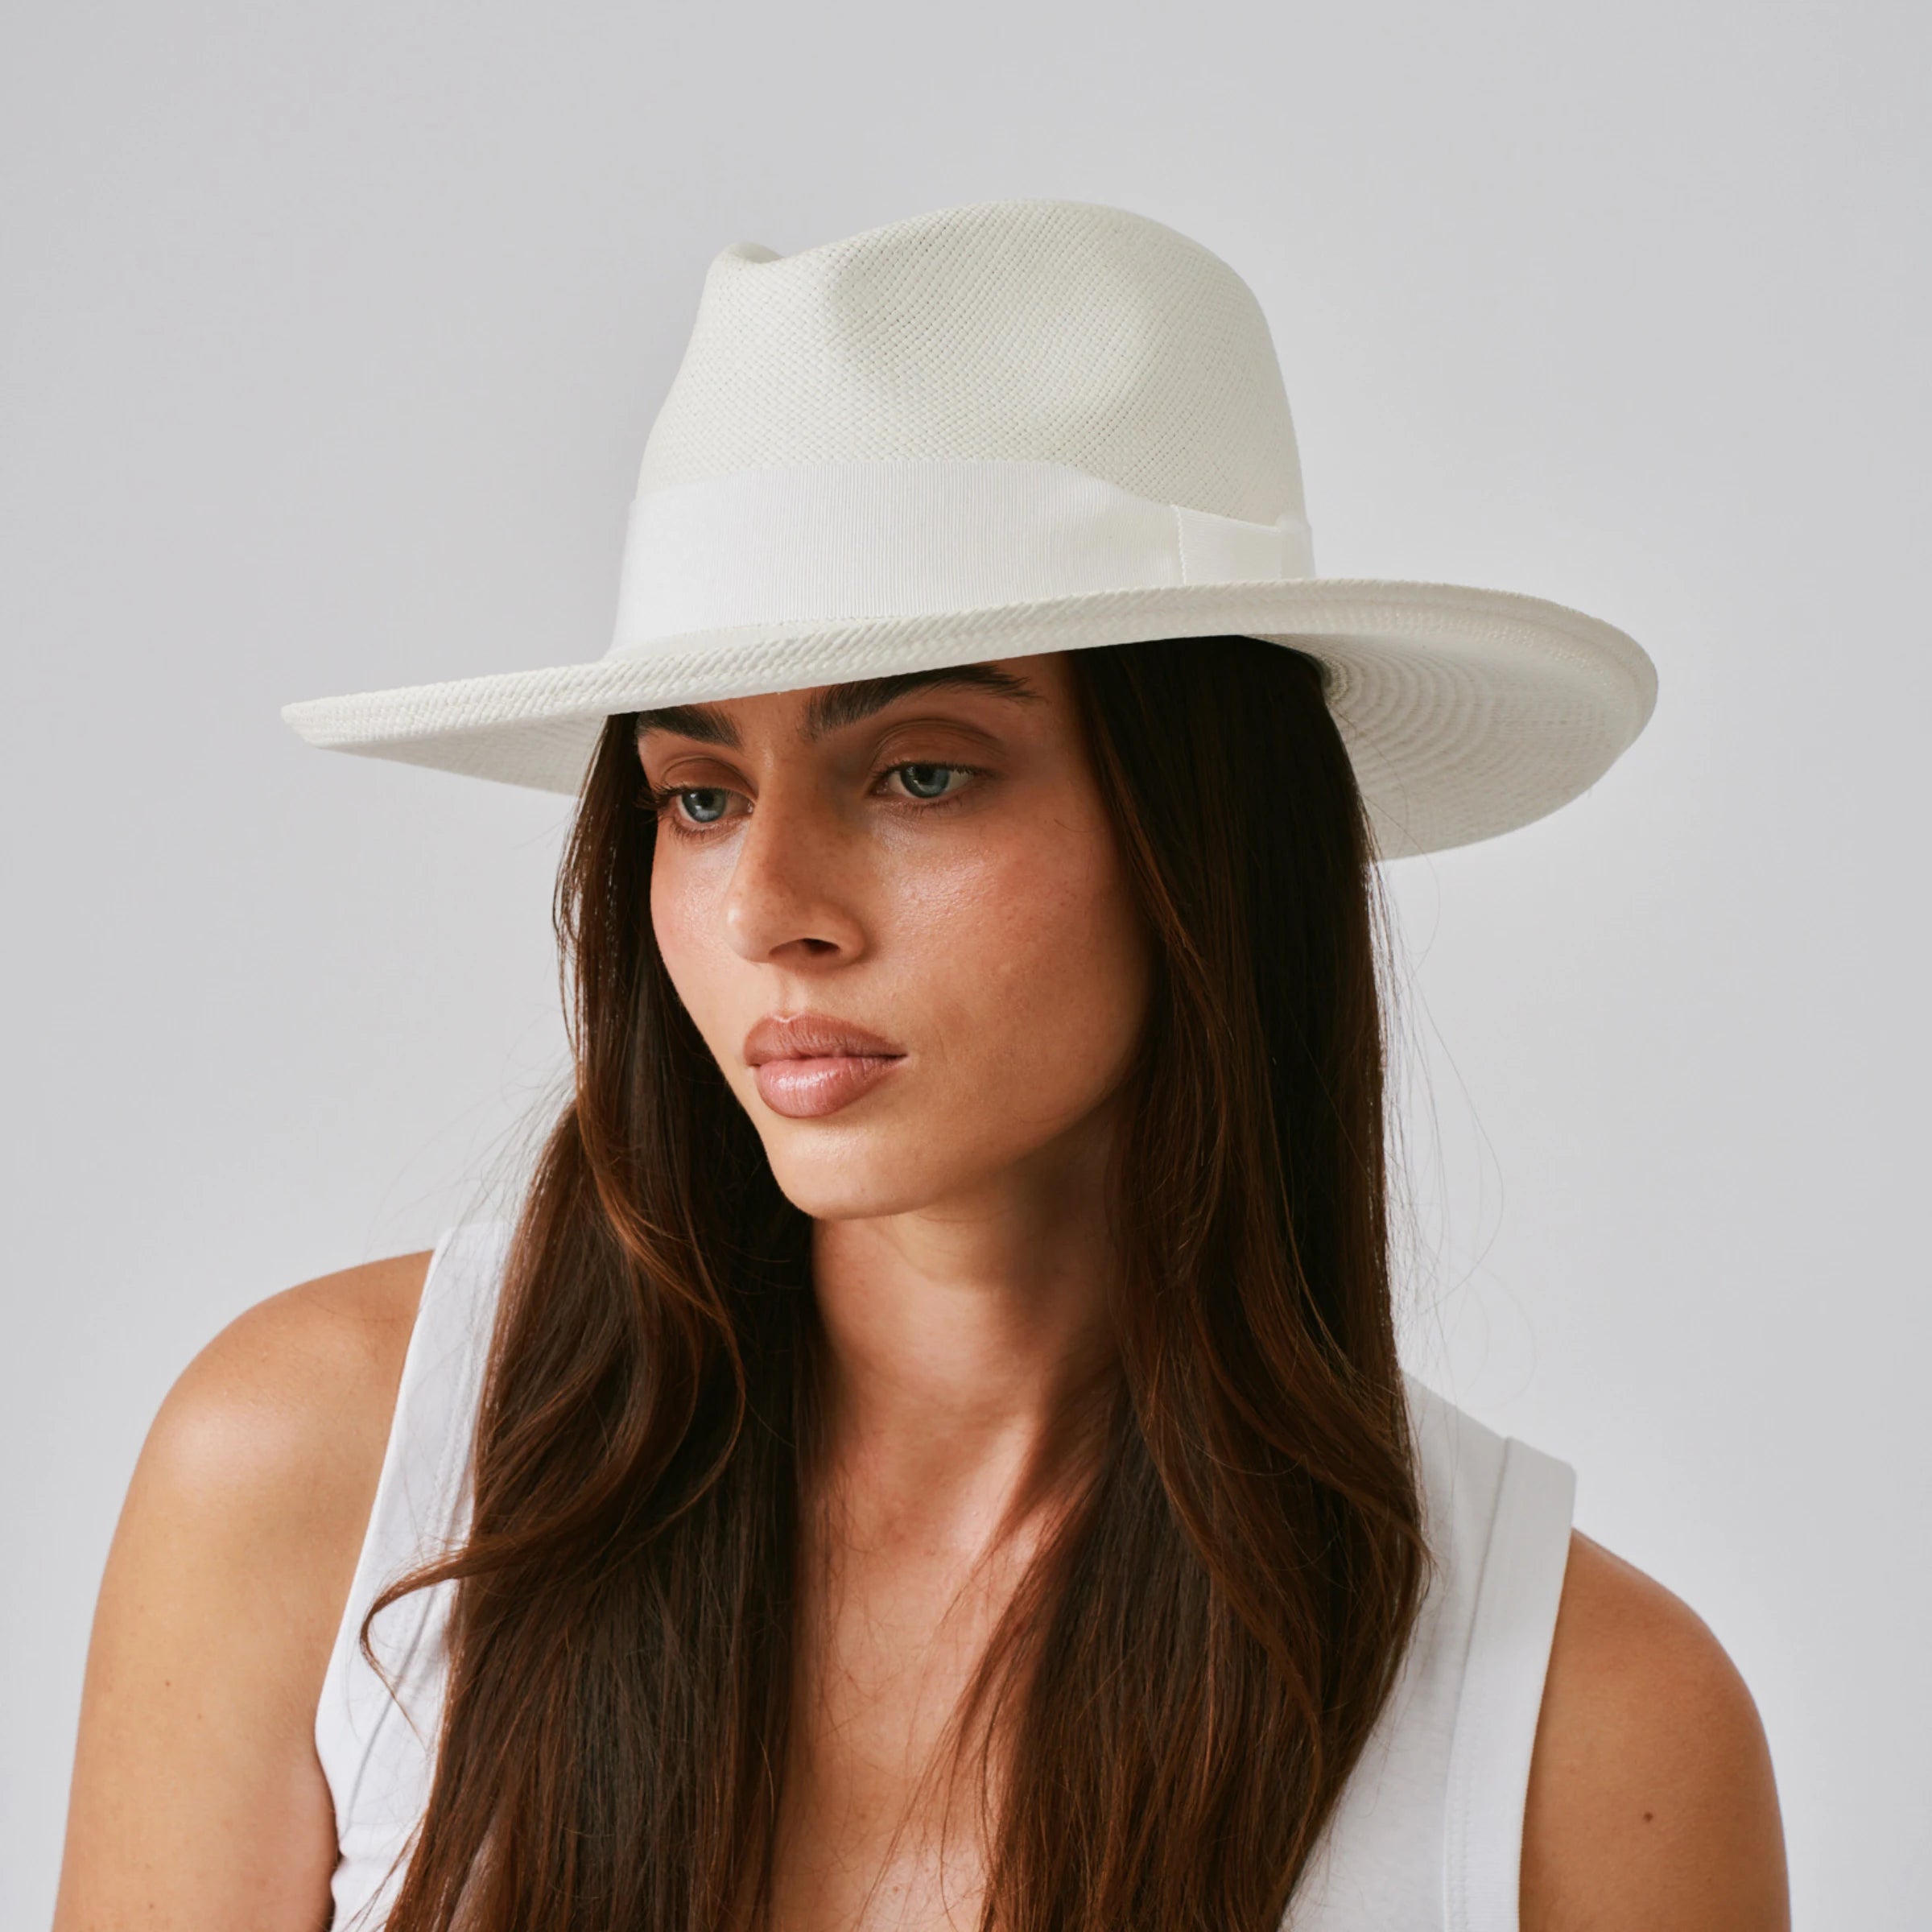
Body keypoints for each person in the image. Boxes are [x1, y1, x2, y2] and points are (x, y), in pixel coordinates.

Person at [52, 199, 1788, 1931]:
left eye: (922, 773)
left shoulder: (1587, 1739)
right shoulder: (319, 1482)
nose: (770, 910)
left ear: (1208, 833)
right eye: (700, 796)